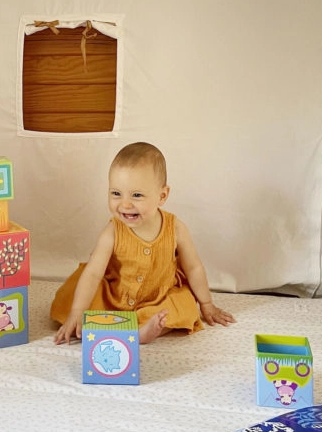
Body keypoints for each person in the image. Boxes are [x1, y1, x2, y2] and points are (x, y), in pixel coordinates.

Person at [52, 142, 235, 345]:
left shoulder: (175, 229)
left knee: (183, 306)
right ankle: (114, 327)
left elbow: (193, 268)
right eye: (116, 193)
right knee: (76, 300)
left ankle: (146, 330)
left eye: (137, 195)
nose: (125, 204)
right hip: (114, 295)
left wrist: (207, 304)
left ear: (162, 196)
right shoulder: (112, 231)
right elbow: (94, 273)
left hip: (157, 297)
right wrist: (78, 311)